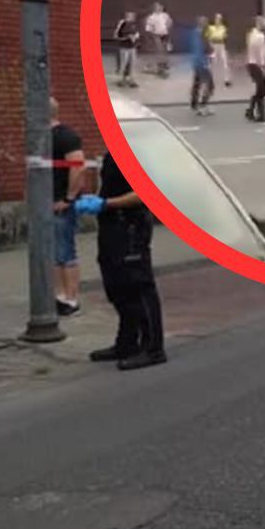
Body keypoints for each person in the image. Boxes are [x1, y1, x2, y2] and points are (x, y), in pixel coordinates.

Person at [74, 147, 165, 370]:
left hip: (130, 225)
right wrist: (97, 200)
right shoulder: (114, 150)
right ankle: (127, 342)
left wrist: (107, 203)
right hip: (111, 224)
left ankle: (153, 348)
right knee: (117, 285)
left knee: (138, 285)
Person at [50, 98, 86, 317]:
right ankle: (59, 296)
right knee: (54, 253)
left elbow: (78, 167)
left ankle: (71, 299)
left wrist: (69, 198)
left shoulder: (66, 136)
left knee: (65, 251)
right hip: (47, 203)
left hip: (61, 203)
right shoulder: (41, 138)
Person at [244, 16, 265, 123]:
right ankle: (260, 114)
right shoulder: (260, 36)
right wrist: (262, 66)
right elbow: (261, 53)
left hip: (250, 63)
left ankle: (251, 110)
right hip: (257, 64)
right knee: (261, 90)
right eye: (264, 22)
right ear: (259, 23)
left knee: (259, 89)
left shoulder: (250, 34)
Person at [188, 16, 214, 116]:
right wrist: (211, 52)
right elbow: (207, 49)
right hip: (202, 62)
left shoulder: (194, 33)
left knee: (197, 84)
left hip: (196, 61)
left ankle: (194, 104)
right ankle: (203, 106)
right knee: (210, 85)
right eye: (206, 23)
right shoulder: (203, 35)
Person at [113, 11, 141, 87]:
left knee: (132, 64)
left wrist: (135, 37)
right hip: (124, 47)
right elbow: (116, 36)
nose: (132, 17)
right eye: (130, 16)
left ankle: (131, 80)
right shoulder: (122, 23)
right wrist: (127, 37)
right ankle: (122, 80)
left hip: (132, 47)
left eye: (133, 16)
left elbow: (137, 34)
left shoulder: (134, 24)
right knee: (123, 64)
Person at [144, 2, 171, 77]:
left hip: (165, 35)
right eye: (158, 7)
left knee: (165, 50)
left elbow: (169, 23)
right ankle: (158, 67)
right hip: (156, 35)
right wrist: (153, 34)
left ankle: (163, 64)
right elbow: (148, 28)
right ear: (154, 8)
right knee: (159, 50)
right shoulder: (151, 17)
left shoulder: (165, 15)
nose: (160, 8)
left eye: (161, 7)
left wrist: (167, 28)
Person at [206, 13, 230, 86]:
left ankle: (227, 80)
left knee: (225, 63)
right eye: (217, 18)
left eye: (220, 19)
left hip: (221, 46)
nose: (218, 20)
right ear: (215, 19)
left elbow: (225, 37)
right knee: (212, 64)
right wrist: (210, 46)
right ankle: (209, 80)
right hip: (214, 46)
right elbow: (208, 37)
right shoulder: (211, 28)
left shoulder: (223, 28)